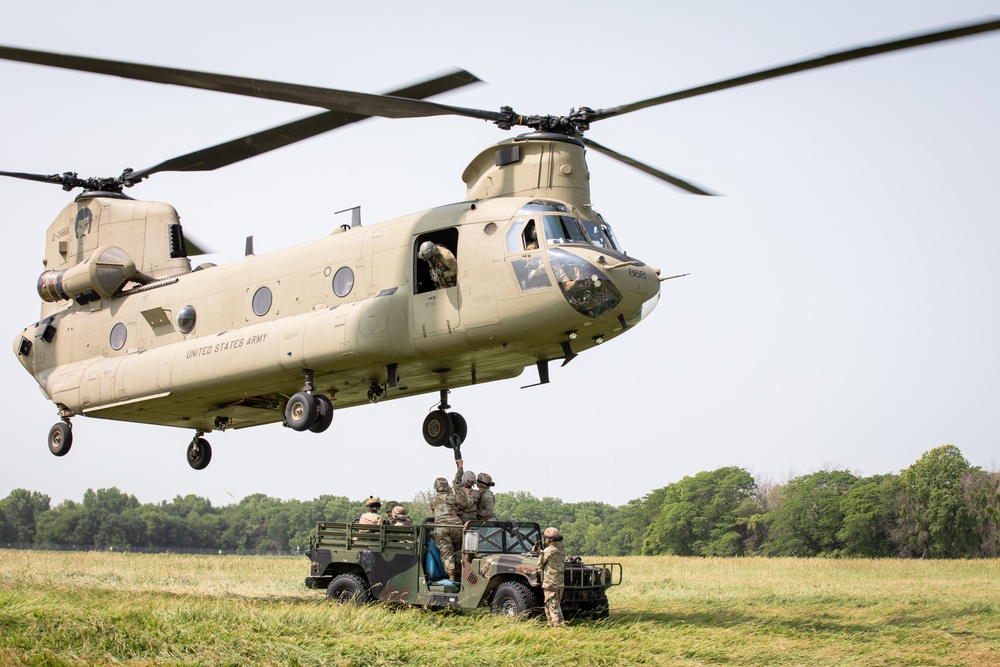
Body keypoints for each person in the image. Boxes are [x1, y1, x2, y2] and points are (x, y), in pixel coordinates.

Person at [429, 477, 465, 582]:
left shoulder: (433, 500)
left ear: (436, 487)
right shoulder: (452, 497)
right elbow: (463, 504)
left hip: (441, 528)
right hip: (456, 527)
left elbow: (435, 510)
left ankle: (452, 578)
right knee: (459, 550)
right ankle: (461, 573)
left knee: (447, 553)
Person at [536, 526, 566, 627]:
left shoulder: (548, 551)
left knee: (553, 607)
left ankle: (558, 626)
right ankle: (551, 624)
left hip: (550, 582)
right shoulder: (562, 550)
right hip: (559, 581)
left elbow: (540, 564)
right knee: (552, 604)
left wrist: (539, 553)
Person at [453, 459, 480, 524]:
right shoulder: (477, 493)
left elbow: (456, 480)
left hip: (463, 521)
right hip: (471, 521)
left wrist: (460, 467)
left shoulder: (459, 489)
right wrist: (460, 467)